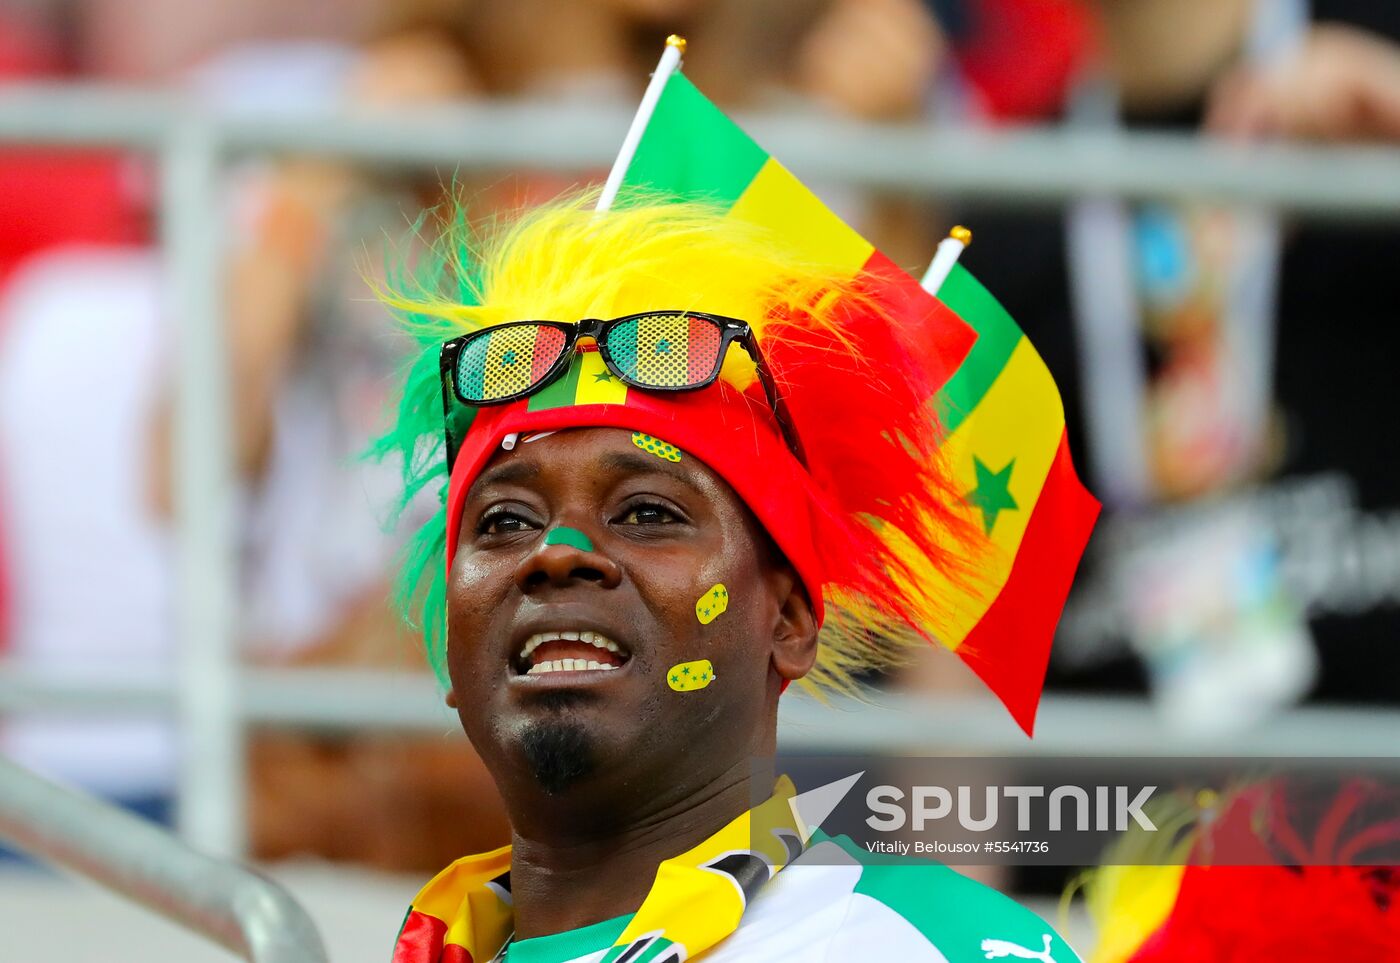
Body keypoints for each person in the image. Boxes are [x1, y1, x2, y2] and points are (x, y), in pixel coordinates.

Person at [374, 193, 1084, 961]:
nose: (556, 550)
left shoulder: (924, 946)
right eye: (505, 520)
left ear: (787, 620)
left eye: (647, 513)